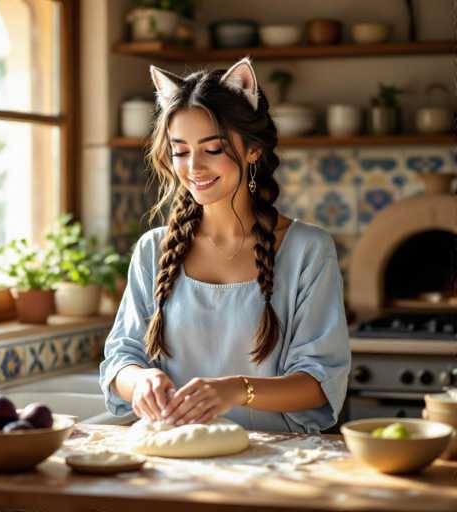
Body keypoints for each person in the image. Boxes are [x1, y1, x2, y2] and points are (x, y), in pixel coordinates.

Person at [99, 57, 351, 433]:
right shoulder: (153, 250)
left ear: (253, 150)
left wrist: (237, 390)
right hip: (175, 464)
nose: (193, 167)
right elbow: (121, 358)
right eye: (180, 150)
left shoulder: (307, 251)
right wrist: (140, 381)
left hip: (276, 466)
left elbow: (320, 381)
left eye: (212, 149)